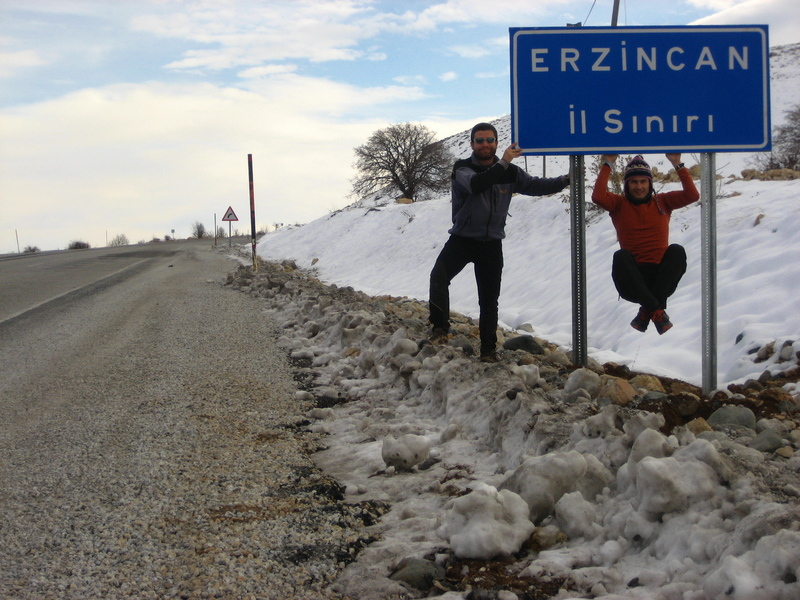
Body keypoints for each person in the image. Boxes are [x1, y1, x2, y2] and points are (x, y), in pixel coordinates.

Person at [428, 122, 570, 362]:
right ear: (472, 144)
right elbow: (477, 184)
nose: (485, 144)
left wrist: (567, 179)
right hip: (462, 239)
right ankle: (440, 329)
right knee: (438, 277)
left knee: (489, 299)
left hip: (491, 244)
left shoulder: (510, 172)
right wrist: (504, 161)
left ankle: (488, 351)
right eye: (480, 140)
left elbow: (536, 186)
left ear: (496, 142)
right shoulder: (462, 168)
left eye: (490, 140)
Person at [591, 153, 699, 334]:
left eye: (643, 181)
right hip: (631, 281)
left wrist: (677, 164)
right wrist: (608, 163)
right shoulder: (619, 204)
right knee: (621, 256)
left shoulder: (663, 201)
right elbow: (598, 196)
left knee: (677, 251)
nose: (639, 186)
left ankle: (646, 311)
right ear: (627, 184)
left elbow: (692, 195)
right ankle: (656, 311)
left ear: (650, 183)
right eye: (634, 182)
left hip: (661, 279)